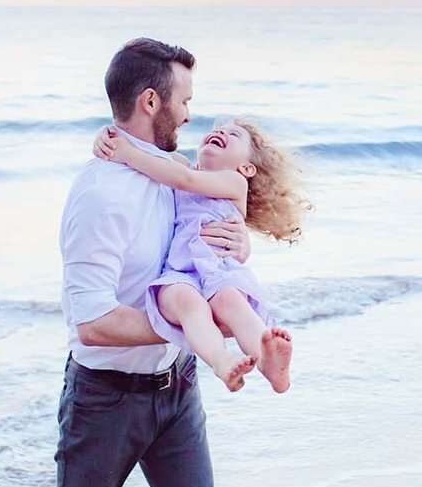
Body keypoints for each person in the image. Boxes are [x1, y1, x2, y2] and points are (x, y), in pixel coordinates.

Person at [52, 38, 251, 487]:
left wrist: (241, 240)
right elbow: (92, 324)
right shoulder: (101, 194)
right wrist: (188, 323)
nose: (189, 114)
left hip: (178, 388)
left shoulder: (173, 171)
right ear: (150, 102)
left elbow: (202, 237)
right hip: (106, 404)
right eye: (184, 101)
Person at [92, 117, 308, 393]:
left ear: (246, 167)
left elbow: (183, 180)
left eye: (233, 135)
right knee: (186, 304)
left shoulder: (233, 181)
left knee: (233, 303)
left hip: (220, 269)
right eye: (216, 130)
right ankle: (222, 362)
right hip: (180, 273)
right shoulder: (182, 166)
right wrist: (106, 135)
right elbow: (151, 151)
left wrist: (126, 154)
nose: (219, 132)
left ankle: (269, 362)